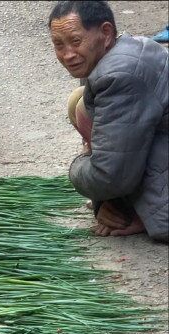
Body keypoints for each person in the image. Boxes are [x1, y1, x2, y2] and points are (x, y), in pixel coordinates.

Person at [48, 1, 168, 241]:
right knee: (79, 103)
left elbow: (109, 176)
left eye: (76, 41)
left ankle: (142, 212)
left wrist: (80, 166)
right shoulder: (118, 52)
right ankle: (129, 204)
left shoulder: (118, 75)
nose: (67, 55)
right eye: (58, 45)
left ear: (106, 32)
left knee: (110, 172)